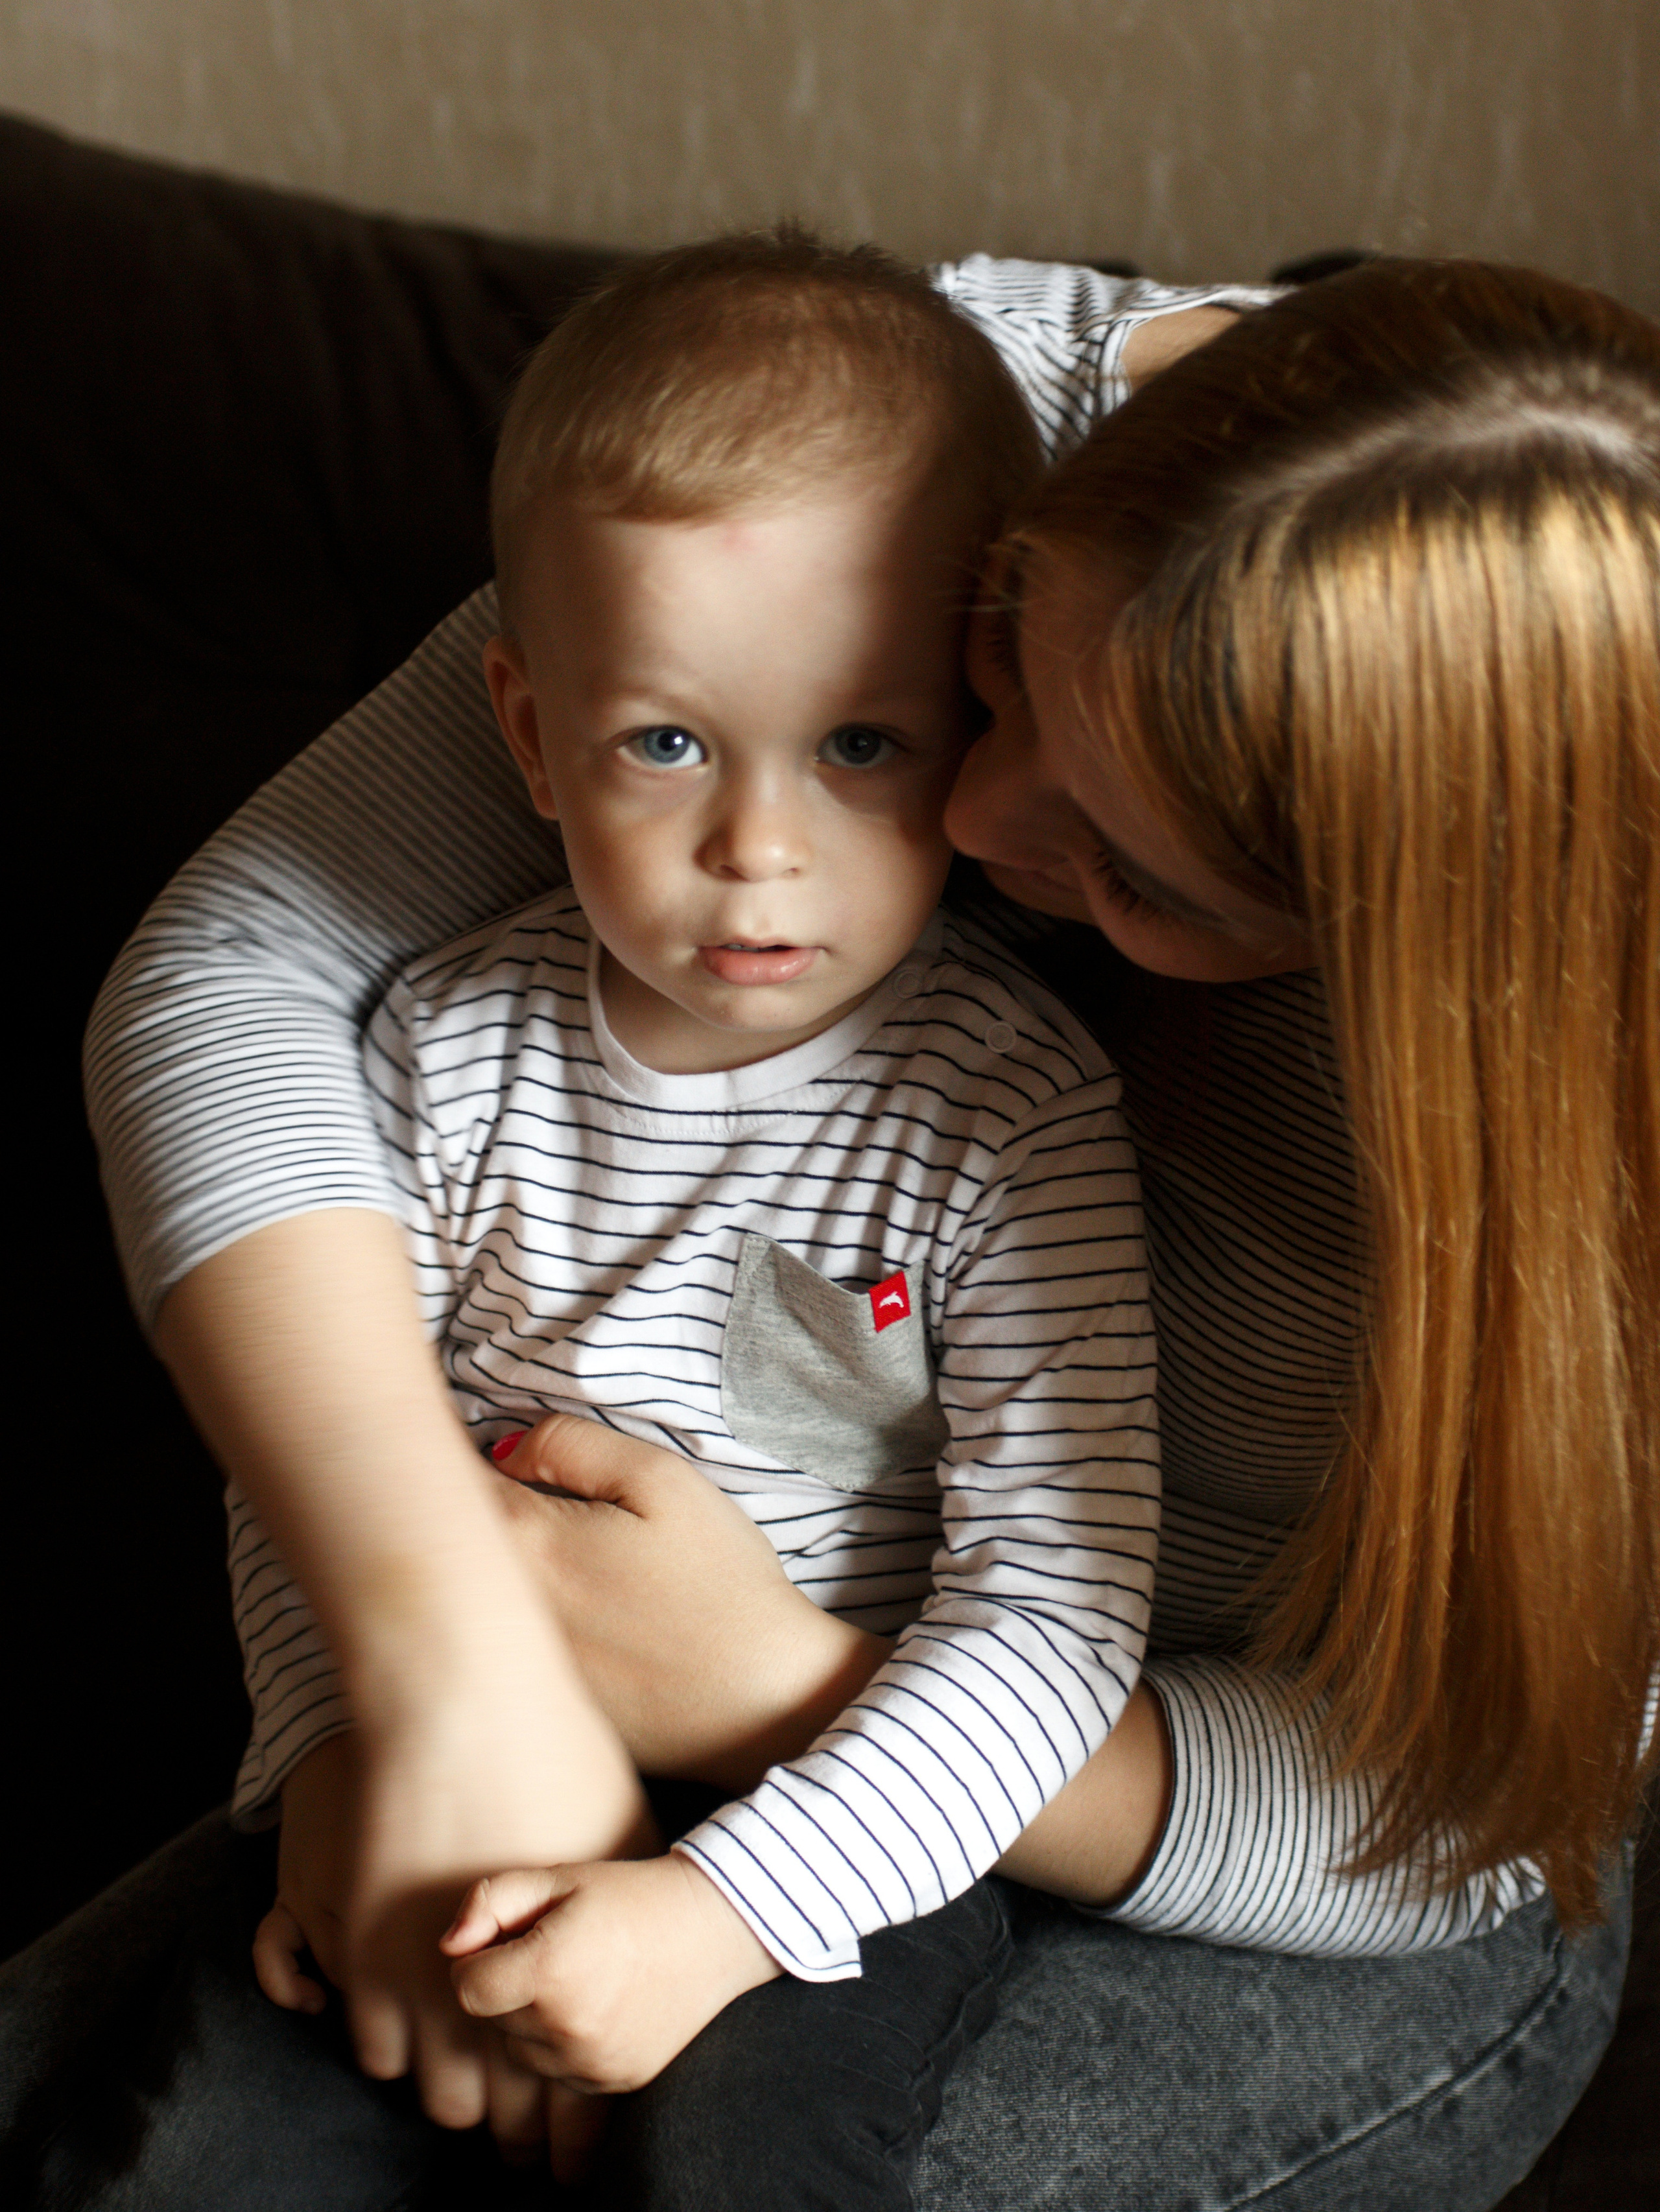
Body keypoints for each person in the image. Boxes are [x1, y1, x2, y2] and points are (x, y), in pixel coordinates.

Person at [46, 254, 1653, 2210]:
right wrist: (405, 1690)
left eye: (1128, 871)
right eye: (990, 670)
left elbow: (1432, 1810)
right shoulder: (912, 423)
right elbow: (241, 1001)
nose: (971, 822)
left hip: (1233, 1810)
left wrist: (772, 1704)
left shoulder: (1014, 1112)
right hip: (607, 1687)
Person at [238, 230, 1161, 2180]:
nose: (757, 847)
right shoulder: (430, 1053)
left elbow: (1051, 1637)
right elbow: (308, 1445)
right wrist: (329, 1755)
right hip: (456, 1753)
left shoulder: (1012, 1113)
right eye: (667, 742)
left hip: (846, 1816)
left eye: (860, 743)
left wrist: (723, 1914)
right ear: (528, 737)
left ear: (974, 725)